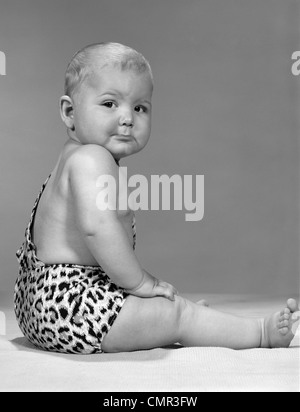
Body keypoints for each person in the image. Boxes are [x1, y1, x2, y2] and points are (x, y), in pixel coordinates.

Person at [14, 42, 299, 354]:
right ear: (70, 112)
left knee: (161, 309)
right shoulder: (91, 159)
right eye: (110, 104)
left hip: (38, 308)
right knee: (174, 312)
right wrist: (140, 284)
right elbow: (97, 227)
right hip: (71, 310)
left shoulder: (71, 158)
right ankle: (258, 332)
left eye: (139, 107)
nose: (127, 118)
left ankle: (177, 323)